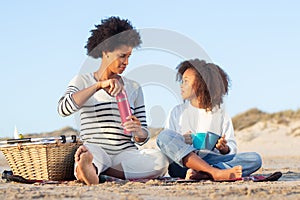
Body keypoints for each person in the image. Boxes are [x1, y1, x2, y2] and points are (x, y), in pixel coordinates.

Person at [58, 16, 168, 185]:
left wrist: (138, 131)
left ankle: (95, 171)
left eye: (129, 56)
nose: (126, 62)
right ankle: (91, 166)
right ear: (106, 51)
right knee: (90, 153)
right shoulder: (83, 81)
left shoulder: (133, 87)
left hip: (125, 153)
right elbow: (63, 108)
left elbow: (143, 136)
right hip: (97, 148)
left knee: (161, 160)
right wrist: (98, 86)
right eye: (122, 56)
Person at [156, 59, 262, 181]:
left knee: (254, 159)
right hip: (184, 164)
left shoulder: (220, 114)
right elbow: (168, 145)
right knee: (163, 136)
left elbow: (232, 147)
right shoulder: (177, 112)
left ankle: (205, 174)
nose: (181, 85)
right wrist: (181, 140)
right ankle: (214, 172)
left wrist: (224, 148)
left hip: (212, 159)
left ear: (202, 84)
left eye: (186, 81)